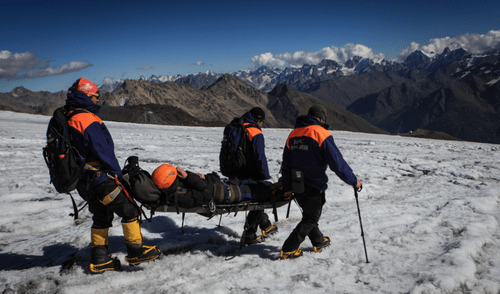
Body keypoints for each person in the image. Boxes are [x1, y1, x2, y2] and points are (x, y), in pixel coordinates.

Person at [66, 78, 160, 273]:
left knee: (101, 216)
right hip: (100, 179)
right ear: (87, 95)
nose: (97, 100)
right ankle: (136, 252)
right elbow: (103, 151)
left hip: (84, 181)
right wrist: (118, 176)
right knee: (130, 210)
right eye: (95, 96)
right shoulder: (86, 118)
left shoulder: (68, 116)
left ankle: (100, 259)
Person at [279, 104, 362, 260]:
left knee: (309, 215)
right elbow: (337, 162)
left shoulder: (293, 134)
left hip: (297, 184)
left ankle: (318, 241)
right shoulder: (321, 133)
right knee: (311, 218)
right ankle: (289, 248)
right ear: (321, 118)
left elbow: (286, 164)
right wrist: (353, 181)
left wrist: (287, 186)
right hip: (314, 184)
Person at [232, 107, 278, 245]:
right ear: (258, 119)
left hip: (235, 171)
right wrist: (265, 176)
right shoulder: (255, 132)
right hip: (250, 173)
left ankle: (266, 225)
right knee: (260, 200)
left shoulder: (236, 127)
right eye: (262, 121)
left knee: (257, 200)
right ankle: (249, 235)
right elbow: (260, 157)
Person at [151, 164, 283, 209]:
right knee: (259, 191)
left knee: (258, 184)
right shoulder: (180, 195)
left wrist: (192, 177)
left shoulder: (177, 185)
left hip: (223, 186)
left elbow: (202, 186)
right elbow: (205, 194)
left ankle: (275, 187)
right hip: (225, 193)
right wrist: (189, 177)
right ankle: (281, 192)